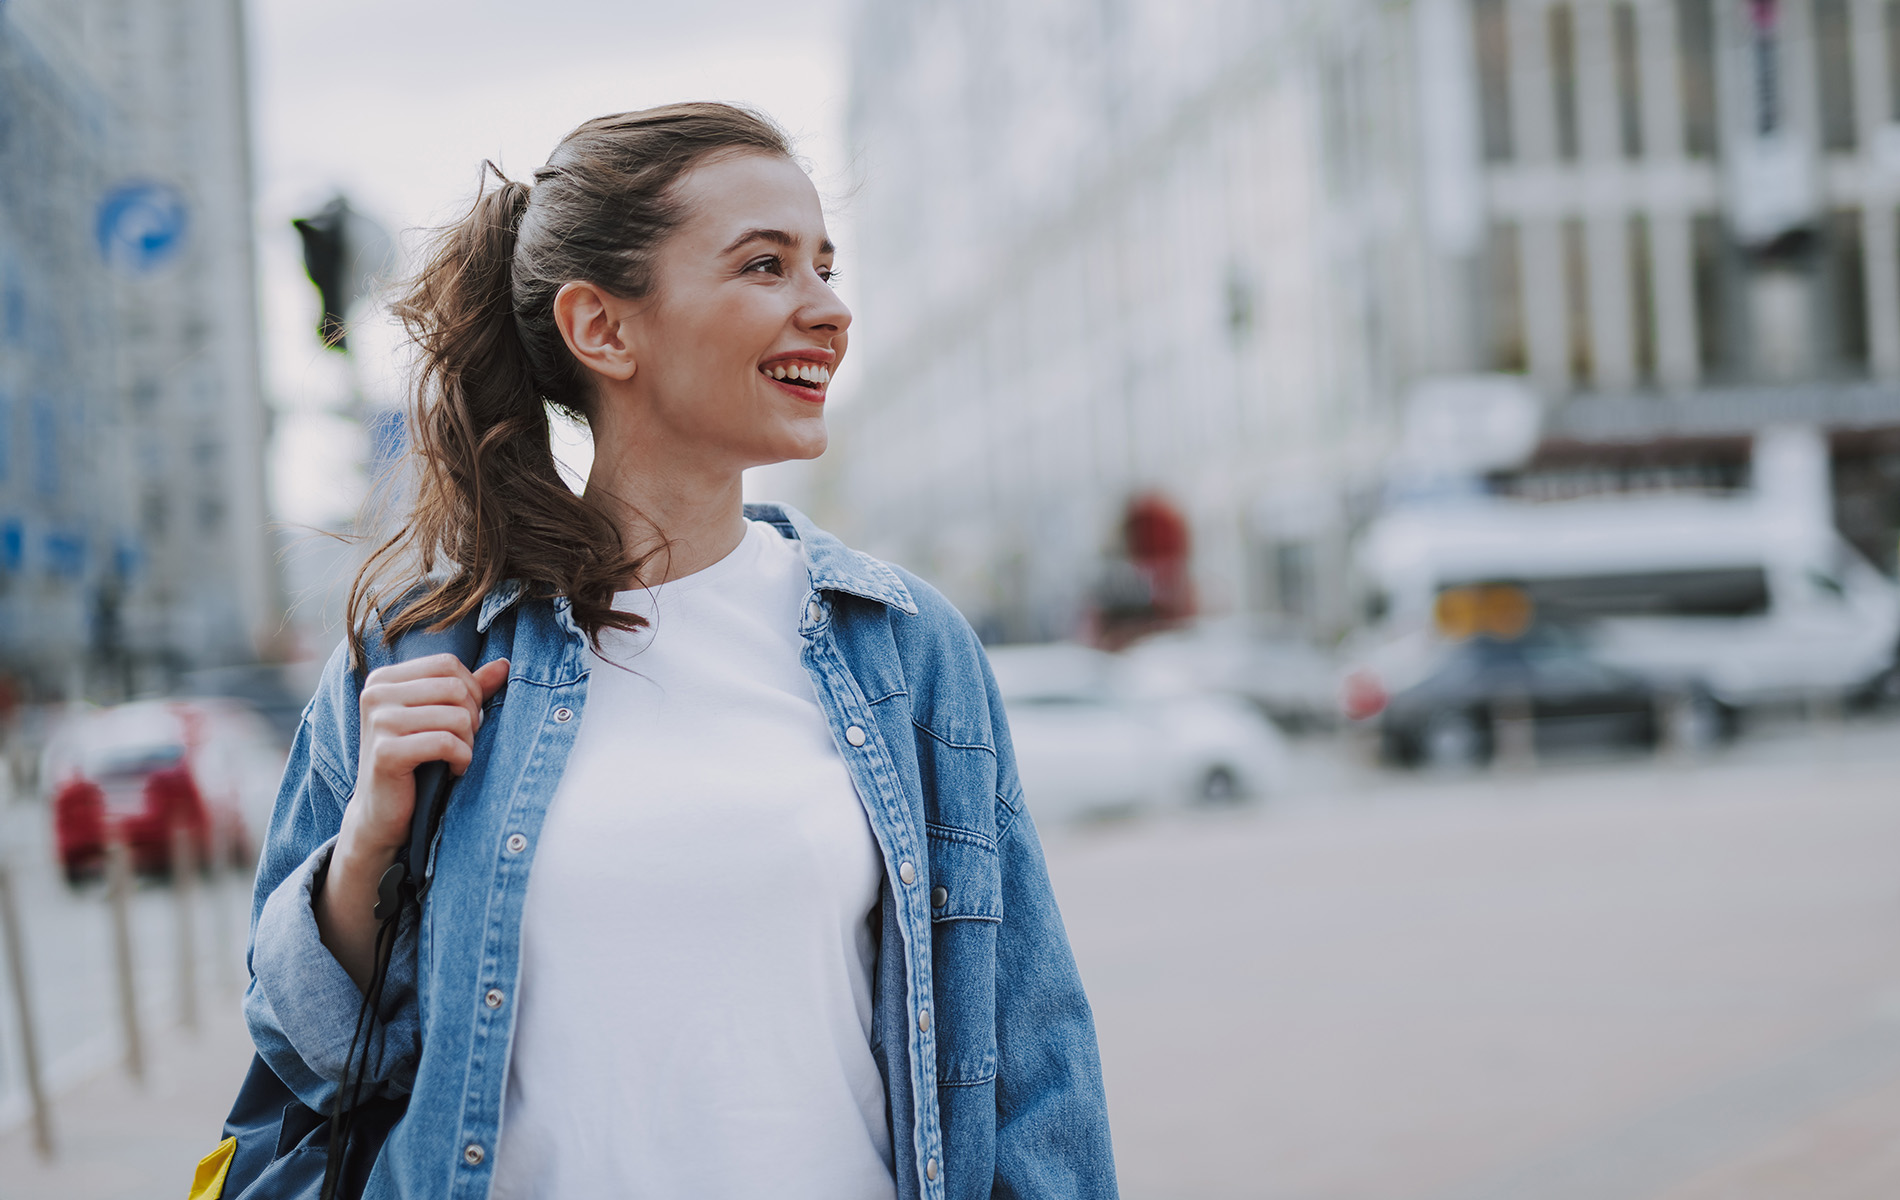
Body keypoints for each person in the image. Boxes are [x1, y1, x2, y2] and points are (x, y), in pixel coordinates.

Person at [245, 102, 1117, 1200]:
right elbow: (308, 1054)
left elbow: (1030, 1055)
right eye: (765, 266)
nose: (829, 310)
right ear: (603, 329)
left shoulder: (903, 648)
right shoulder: (425, 653)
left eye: (826, 267)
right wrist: (366, 852)